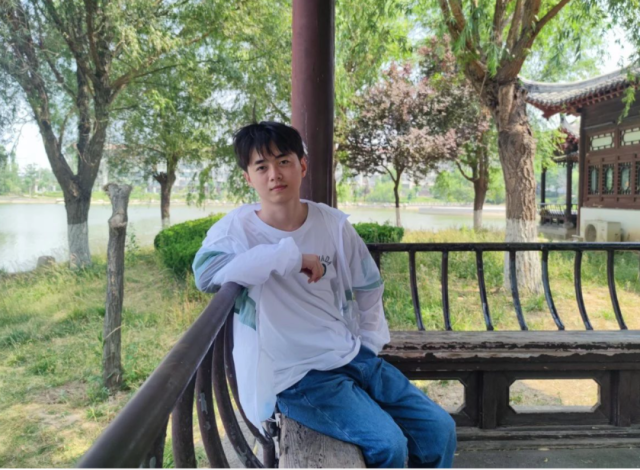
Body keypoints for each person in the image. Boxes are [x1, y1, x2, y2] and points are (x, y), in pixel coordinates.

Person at [193, 121, 456, 468]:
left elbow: (368, 286)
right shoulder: (236, 229)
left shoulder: (332, 224)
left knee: (439, 429)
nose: (274, 174)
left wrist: (368, 343)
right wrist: (290, 257)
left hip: (351, 355)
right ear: (248, 178)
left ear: (302, 165)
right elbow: (206, 276)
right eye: (261, 167)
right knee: (388, 445)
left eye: (283, 161)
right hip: (295, 375)